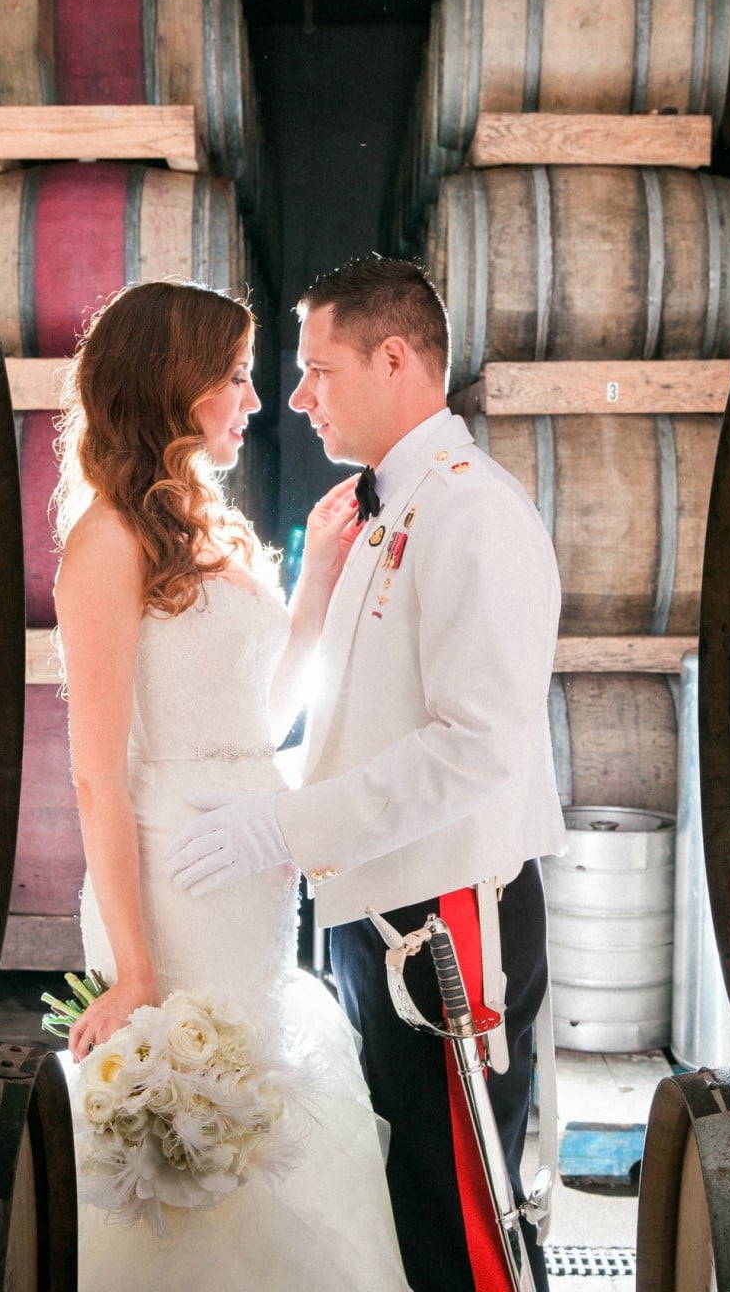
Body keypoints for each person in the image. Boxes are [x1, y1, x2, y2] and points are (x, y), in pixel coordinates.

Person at [168, 256, 565, 1292]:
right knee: (400, 1207)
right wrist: (263, 792)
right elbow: (360, 717)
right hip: (379, 911)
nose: (299, 397)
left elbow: (477, 747)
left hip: (445, 926)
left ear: (394, 359)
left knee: (461, 1223)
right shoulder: (384, 508)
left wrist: (283, 828)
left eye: (318, 369)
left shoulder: (475, 513)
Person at [53, 279, 411, 1289]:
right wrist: (132, 971)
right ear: (173, 390)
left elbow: (257, 725)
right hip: (172, 895)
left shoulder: (205, 530)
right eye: (237, 378)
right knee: (192, 1175)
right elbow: (96, 773)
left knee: (255, 1142)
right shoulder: (108, 545)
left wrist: (318, 589)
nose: (256, 401)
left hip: (251, 880)